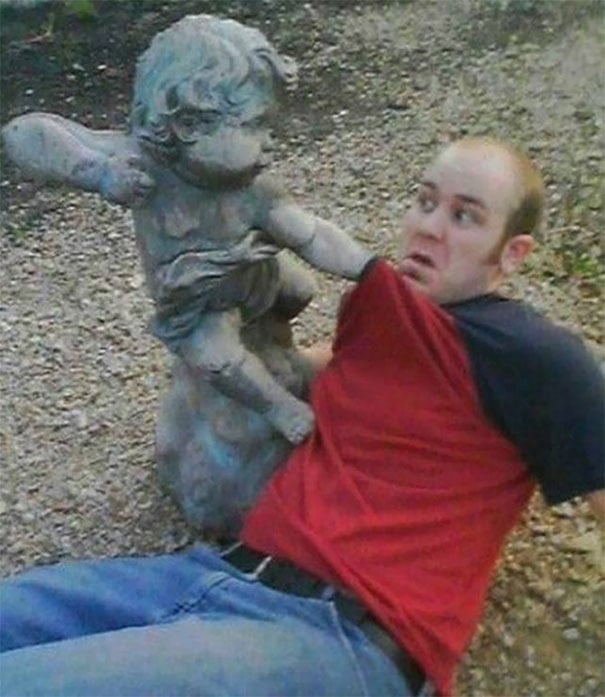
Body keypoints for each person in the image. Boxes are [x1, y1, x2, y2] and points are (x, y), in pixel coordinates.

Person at [1, 137, 603, 697]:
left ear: (513, 253)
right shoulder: (376, 312)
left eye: (464, 216)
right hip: (211, 576)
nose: (429, 227)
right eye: (425, 202)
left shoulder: (538, 358)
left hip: (338, 636)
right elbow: (305, 368)